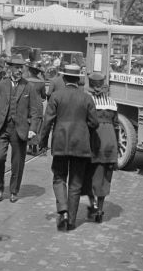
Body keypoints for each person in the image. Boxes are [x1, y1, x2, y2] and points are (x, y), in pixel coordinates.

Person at [39, 64, 99, 231]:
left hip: (60, 143)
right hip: (81, 145)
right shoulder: (87, 98)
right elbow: (94, 122)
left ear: (64, 79)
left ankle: (63, 210)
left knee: (59, 177)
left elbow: (47, 121)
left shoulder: (56, 96)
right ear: (78, 79)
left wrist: (42, 142)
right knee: (76, 182)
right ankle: (71, 221)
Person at [0, 54, 41, 203]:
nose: (19, 70)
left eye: (21, 68)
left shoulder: (28, 87)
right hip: (2, 128)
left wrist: (33, 129)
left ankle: (14, 191)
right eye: (16, 68)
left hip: (20, 130)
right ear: (9, 68)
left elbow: (36, 111)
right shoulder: (1, 85)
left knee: (17, 163)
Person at [82, 72, 120, 224]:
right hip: (110, 143)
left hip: (94, 142)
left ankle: (93, 204)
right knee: (105, 177)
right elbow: (116, 125)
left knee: (90, 174)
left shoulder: (88, 101)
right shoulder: (112, 102)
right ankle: (100, 209)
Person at [25, 61, 47, 155]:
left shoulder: (25, 81)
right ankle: (34, 147)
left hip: (26, 104)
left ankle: (29, 146)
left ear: (30, 71)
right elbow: (44, 96)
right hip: (37, 105)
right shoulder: (41, 82)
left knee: (27, 123)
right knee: (37, 125)